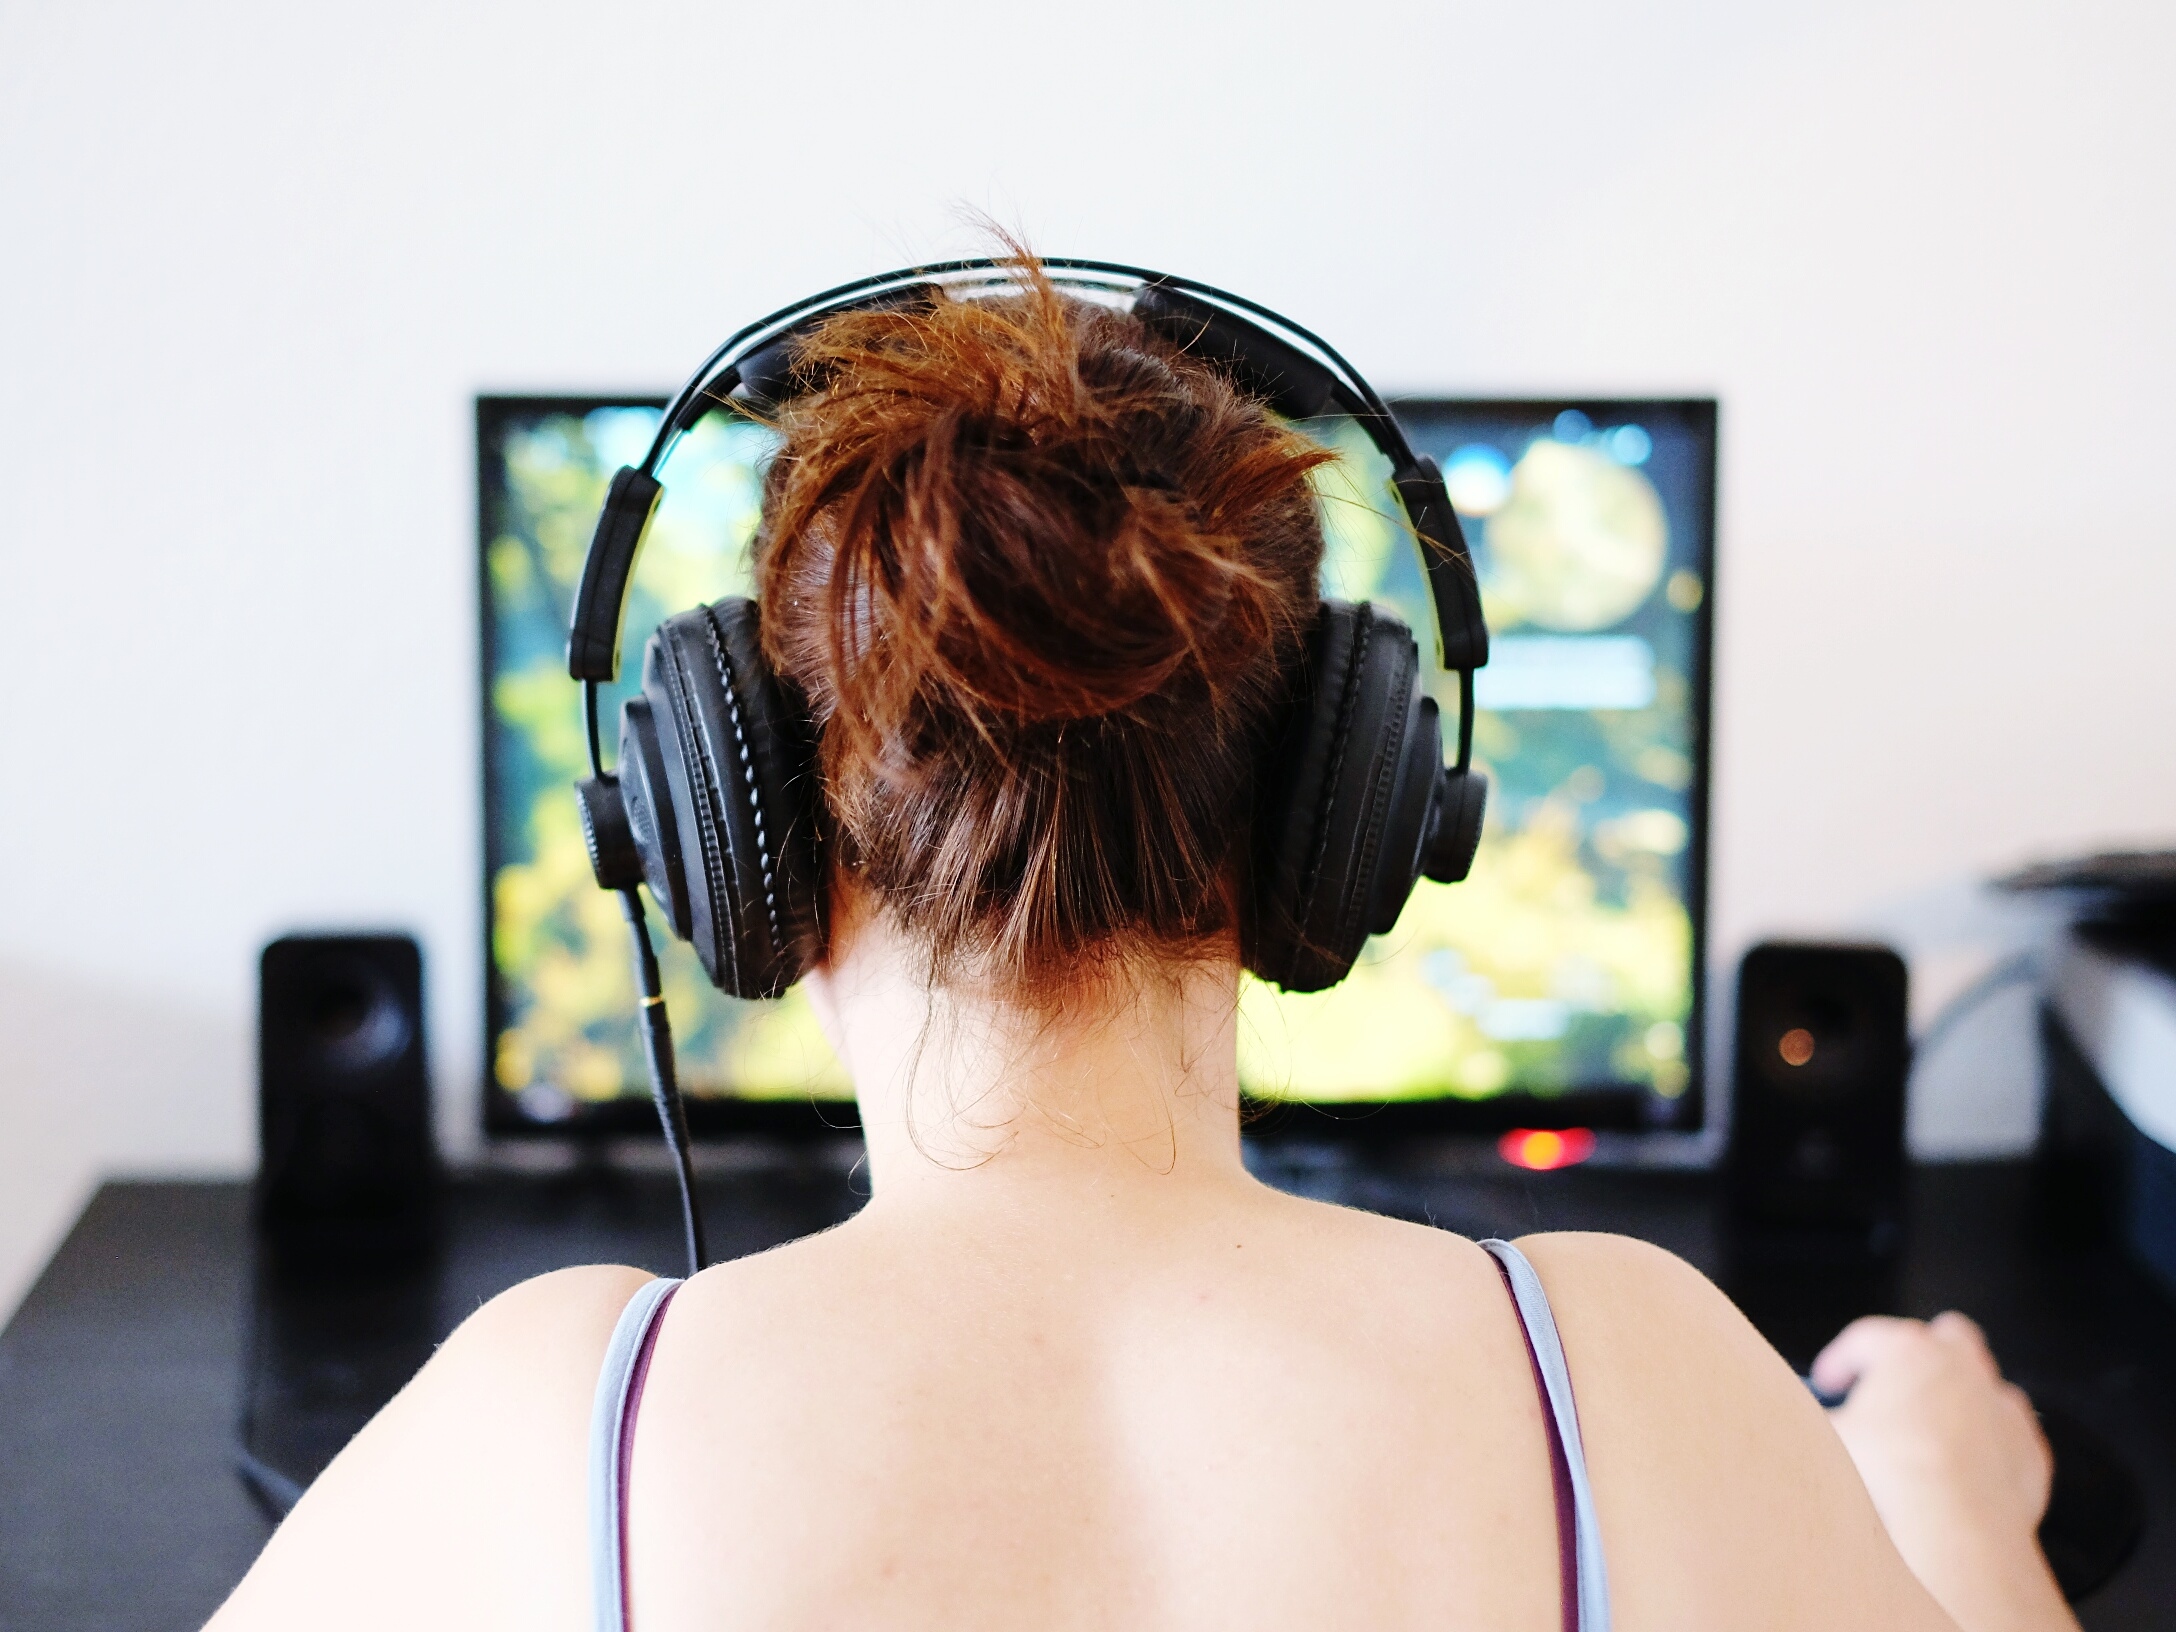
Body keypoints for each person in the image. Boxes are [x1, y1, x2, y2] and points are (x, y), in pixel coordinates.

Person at [208, 262, 2080, 1632]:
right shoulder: (1626, 1369)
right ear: (1326, 832)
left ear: (733, 838)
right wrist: (1961, 1516)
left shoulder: (558, 1426)